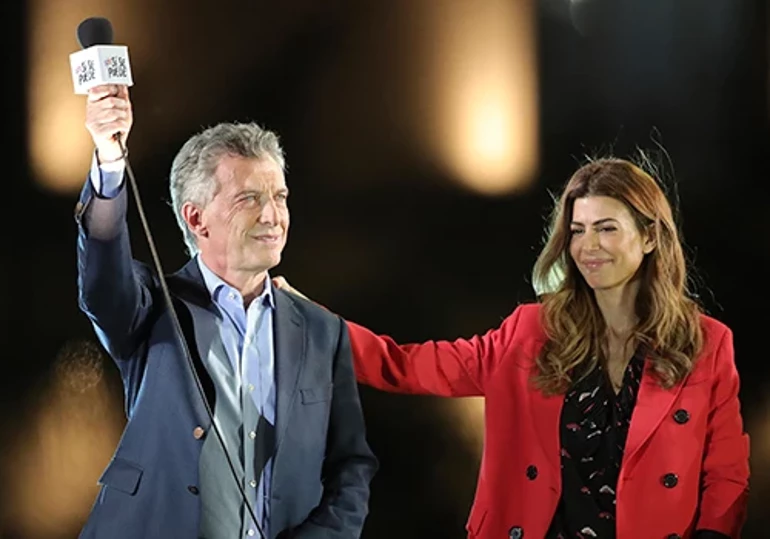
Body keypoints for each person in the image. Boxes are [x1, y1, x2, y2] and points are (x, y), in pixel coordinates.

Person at [275, 158, 750, 539]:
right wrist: (314, 323)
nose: (588, 245)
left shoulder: (706, 343)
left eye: (606, 228)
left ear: (649, 237)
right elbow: (404, 364)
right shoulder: (530, 332)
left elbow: (726, 474)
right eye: (578, 230)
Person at [75, 84, 377, 539]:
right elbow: (102, 279)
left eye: (280, 197)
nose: (272, 215)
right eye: (249, 198)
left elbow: (351, 468)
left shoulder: (323, 330)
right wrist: (109, 159)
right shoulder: (152, 306)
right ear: (196, 219)